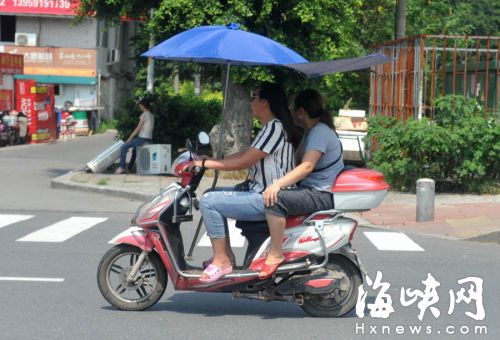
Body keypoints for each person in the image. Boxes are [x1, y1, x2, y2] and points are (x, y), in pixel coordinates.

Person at [188, 82, 299, 283]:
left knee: (209, 202)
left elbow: (245, 161)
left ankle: (222, 260)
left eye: (254, 97)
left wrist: (206, 163)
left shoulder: (274, 128)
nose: (251, 101)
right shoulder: (270, 127)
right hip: (260, 192)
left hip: (268, 198)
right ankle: (226, 256)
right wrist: (210, 161)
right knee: (209, 196)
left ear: (264, 102)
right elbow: (245, 154)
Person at [260, 89, 344, 279]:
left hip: (320, 194)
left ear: (301, 111)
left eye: (293, 109)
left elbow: (306, 166)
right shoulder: (311, 132)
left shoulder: (319, 133)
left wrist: (277, 185)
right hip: (313, 190)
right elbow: (296, 163)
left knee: (276, 200)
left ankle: (276, 254)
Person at [115, 98, 154, 174]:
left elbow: (138, 128)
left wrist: (130, 138)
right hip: (149, 139)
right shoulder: (151, 115)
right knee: (135, 150)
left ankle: (122, 167)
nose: (140, 106)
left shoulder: (144, 115)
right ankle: (129, 168)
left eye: (140, 105)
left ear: (143, 106)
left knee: (124, 147)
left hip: (143, 138)